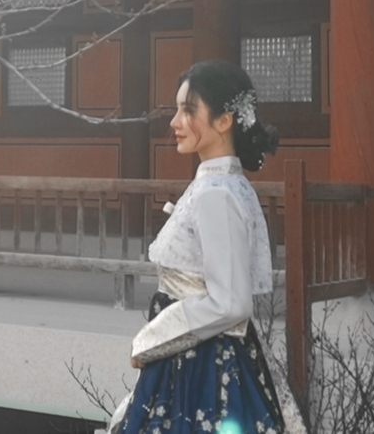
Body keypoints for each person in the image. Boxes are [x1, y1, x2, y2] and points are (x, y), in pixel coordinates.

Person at [113, 59, 287, 434]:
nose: (176, 122)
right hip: (199, 351)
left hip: (200, 363)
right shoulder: (223, 184)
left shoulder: (216, 193)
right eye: (177, 109)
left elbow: (231, 303)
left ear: (224, 120)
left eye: (188, 110)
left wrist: (156, 334)